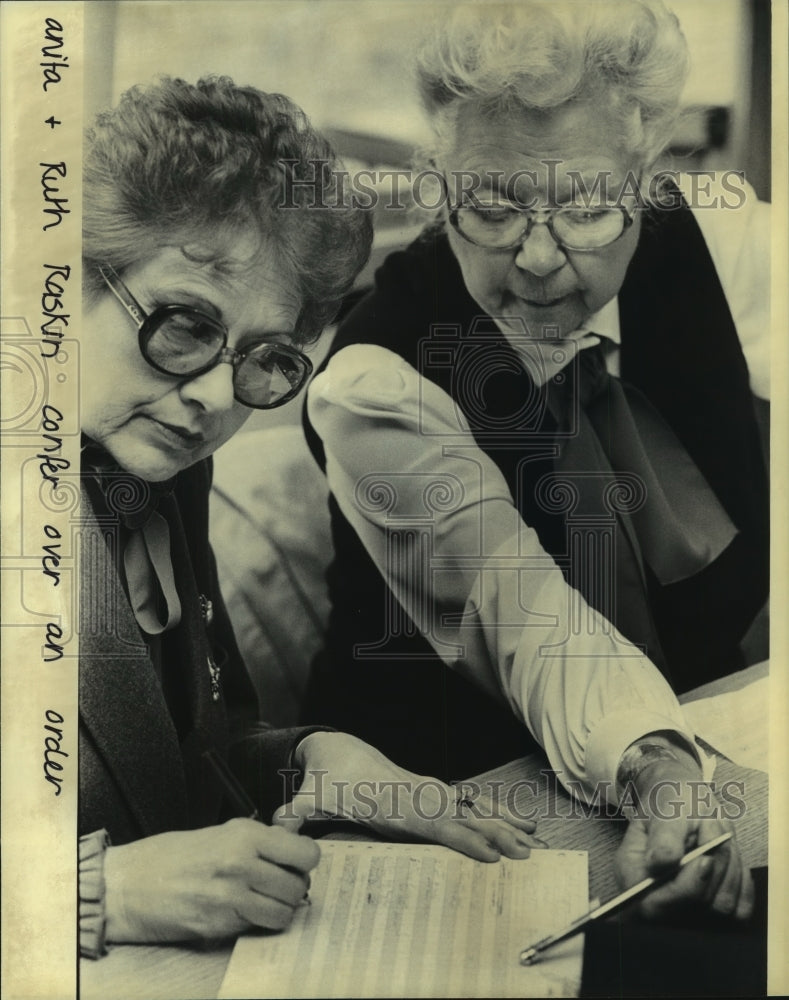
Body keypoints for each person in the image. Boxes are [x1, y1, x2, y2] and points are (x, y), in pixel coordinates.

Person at [302, 1, 766, 918]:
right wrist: (658, 766)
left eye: (590, 205)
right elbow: (531, 627)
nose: (542, 259)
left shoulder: (721, 241)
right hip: (451, 814)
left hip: (707, 736)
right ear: (437, 186)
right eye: (493, 205)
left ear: (647, 179)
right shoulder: (373, 378)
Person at [77, 75, 540, 960]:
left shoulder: (163, 473)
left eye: (264, 360)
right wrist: (100, 894)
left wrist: (316, 761)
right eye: (182, 325)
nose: (213, 398)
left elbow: (186, 752)